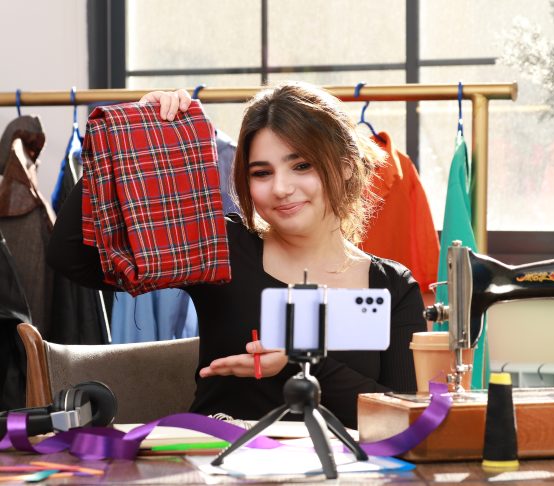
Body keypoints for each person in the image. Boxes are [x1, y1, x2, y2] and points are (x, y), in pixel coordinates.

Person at [47, 81, 426, 428]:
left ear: (345, 166)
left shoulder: (393, 287)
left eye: (301, 166)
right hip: (216, 470)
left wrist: (297, 363)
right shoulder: (219, 247)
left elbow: (401, 416)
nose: (281, 188)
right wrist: (134, 138)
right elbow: (70, 256)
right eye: (261, 173)